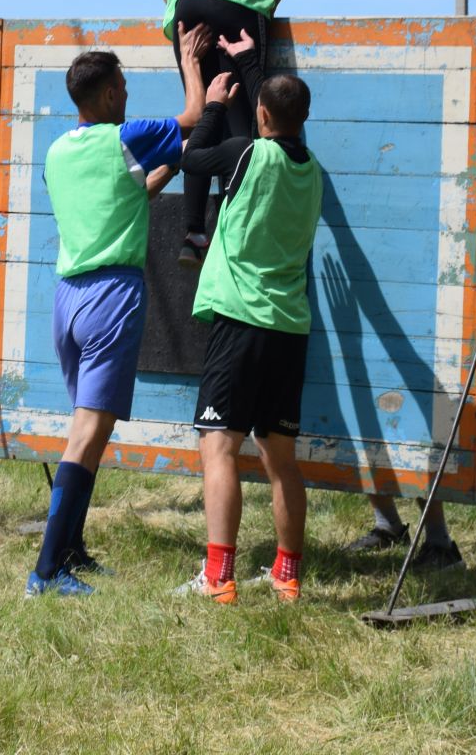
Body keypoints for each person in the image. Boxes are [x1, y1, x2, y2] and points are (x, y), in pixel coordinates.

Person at [25, 25, 211, 597]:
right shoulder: (125, 135)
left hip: (68, 302)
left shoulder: (59, 151)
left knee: (90, 430)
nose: (128, 96)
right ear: (107, 96)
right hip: (112, 297)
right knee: (87, 432)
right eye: (124, 88)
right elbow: (195, 114)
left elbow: (128, 193)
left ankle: (72, 548)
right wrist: (193, 64)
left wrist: (170, 169)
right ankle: (47, 571)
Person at [175, 43, 323, 604]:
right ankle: (286, 575)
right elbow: (284, 120)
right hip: (290, 327)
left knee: (219, 448)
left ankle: (217, 577)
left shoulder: (245, 155)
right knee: (280, 457)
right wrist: (254, 62)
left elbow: (191, 158)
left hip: (240, 321)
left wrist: (213, 104)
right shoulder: (314, 174)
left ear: (259, 116)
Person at [148, 0, 309, 269]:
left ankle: (192, 234)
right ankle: (241, 230)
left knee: (205, 114)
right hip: (239, 5)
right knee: (246, 122)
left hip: (188, 7)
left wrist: (175, 7)